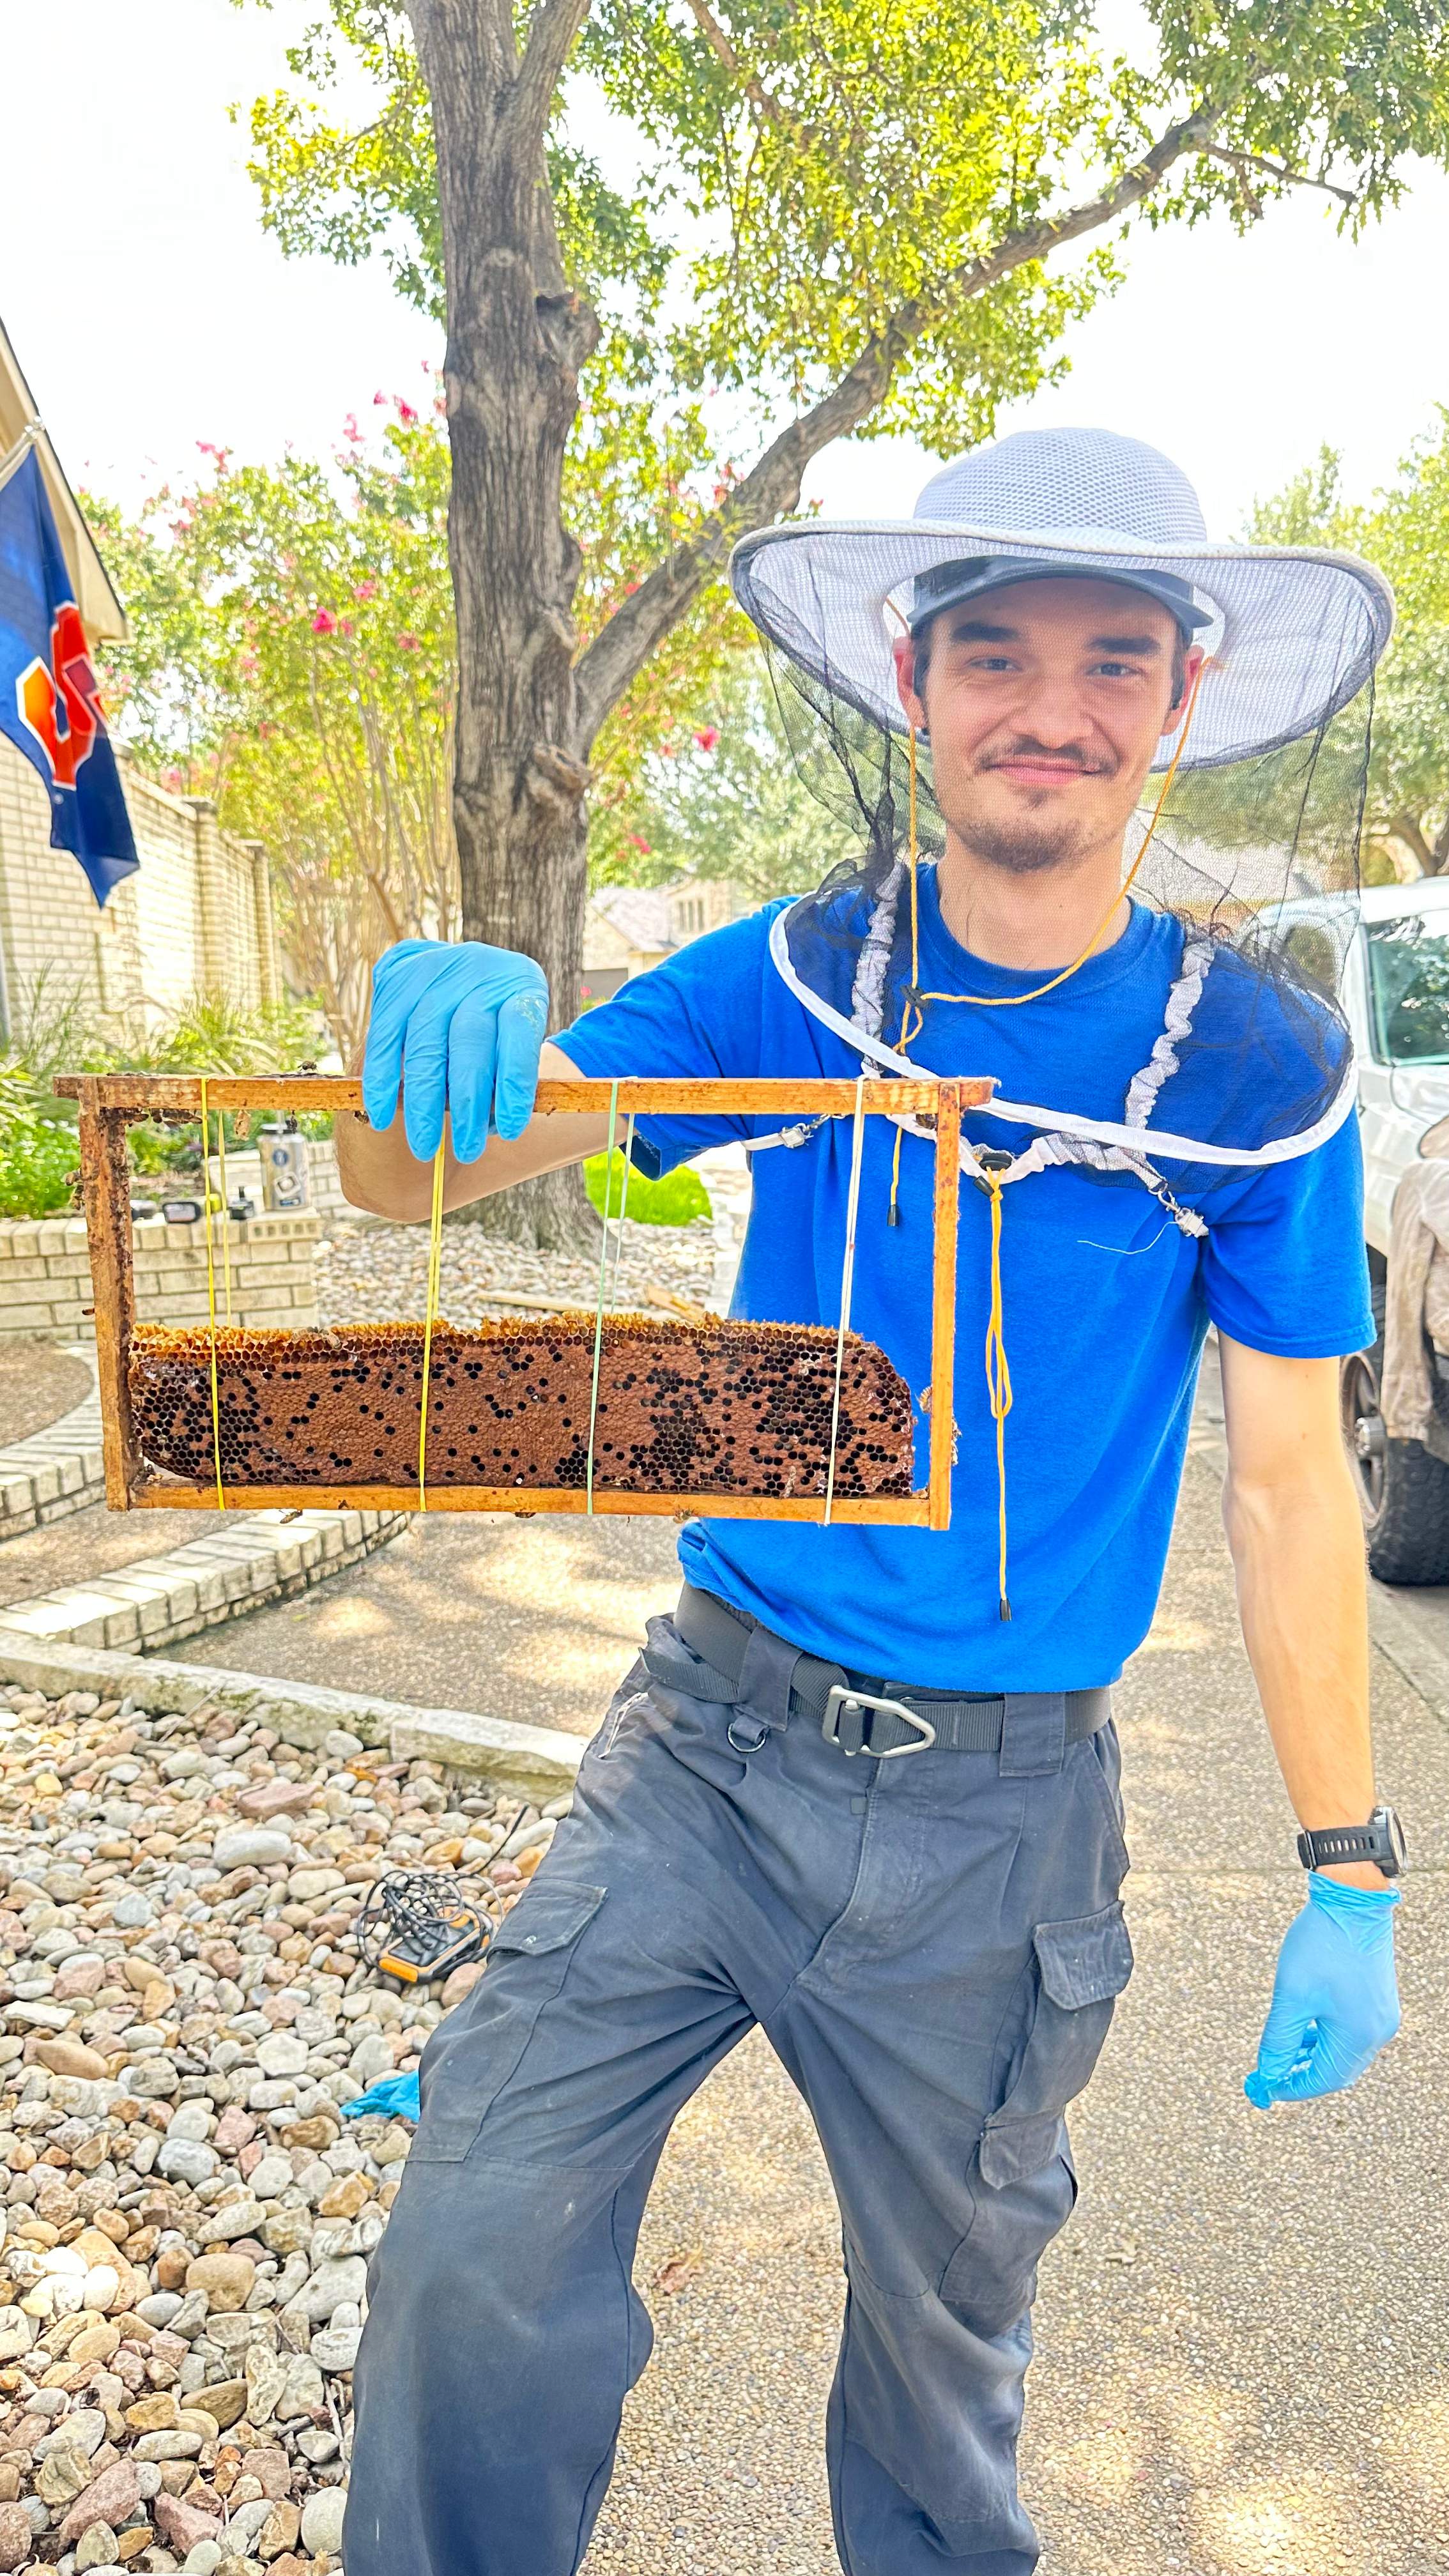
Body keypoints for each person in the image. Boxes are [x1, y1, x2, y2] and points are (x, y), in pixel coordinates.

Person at [339, 428, 1404, 2576]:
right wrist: (419, 1055)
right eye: (992, 650)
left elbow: (1291, 1487)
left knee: (940, 2390)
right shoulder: (790, 969)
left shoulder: (1256, 1074)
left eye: (1112, 658)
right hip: (700, 1759)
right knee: (468, 2257)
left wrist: (1349, 1869)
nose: (1050, 706)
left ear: (1177, 698)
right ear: (915, 686)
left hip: (999, 1841)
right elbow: (428, 1176)